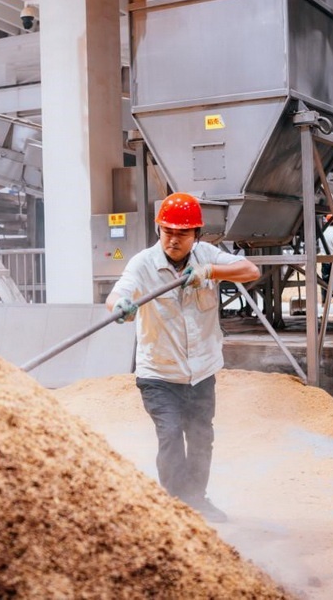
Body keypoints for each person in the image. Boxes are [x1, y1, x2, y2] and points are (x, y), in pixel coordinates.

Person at [106, 192, 260, 523]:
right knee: (172, 435)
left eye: (182, 233)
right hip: (159, 374)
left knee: (202, 436)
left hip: (201, 371)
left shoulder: (206, 255)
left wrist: (209, 272)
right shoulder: (143, 263)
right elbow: (121, 291)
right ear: (158, 229)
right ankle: (177, 505)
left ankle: (197, 499)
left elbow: (250, 270)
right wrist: (120, 306)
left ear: (196, 235)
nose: (173, 239)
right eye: (167, 231)